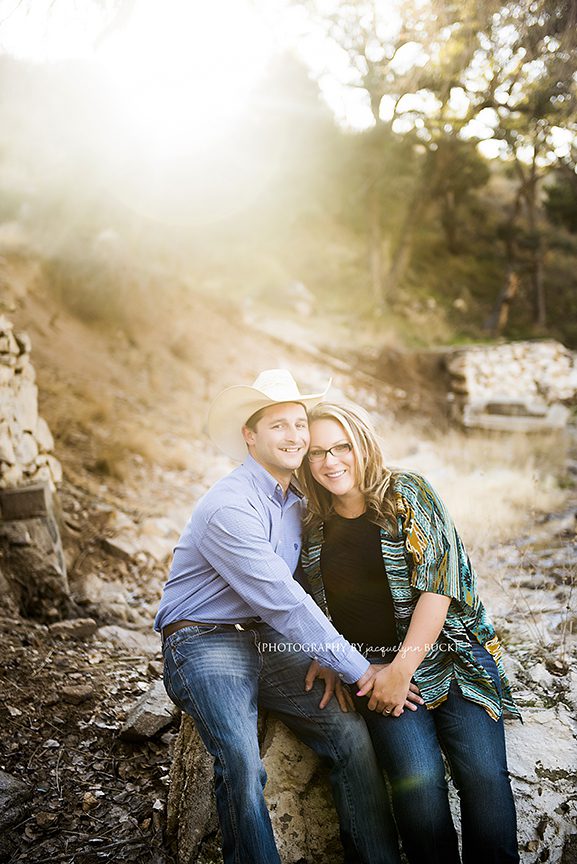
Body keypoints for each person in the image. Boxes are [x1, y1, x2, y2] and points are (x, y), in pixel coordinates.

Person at [155, 370, 412, 864]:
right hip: (203, 641)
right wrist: (360, 670)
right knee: (240, 759)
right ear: (249, 436)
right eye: (278, 426)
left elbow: (309, 587)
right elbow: (284, 600)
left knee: (348, 733)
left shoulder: (298, 502)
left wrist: (327, 658)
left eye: (299, 424)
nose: (294, 436)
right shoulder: (229, 506)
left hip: (268, 641)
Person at [298, 401, 521, 864]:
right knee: (418, 786)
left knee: (483, 778)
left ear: (364, 444)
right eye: (317, 452)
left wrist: (402, 669)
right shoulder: (312, 525)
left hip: (452, 659)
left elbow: (439, 587)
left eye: (342, 447)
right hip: (377, 673)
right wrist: (330, 656)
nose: (330, 461)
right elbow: (309, 604)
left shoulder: (407, 492)